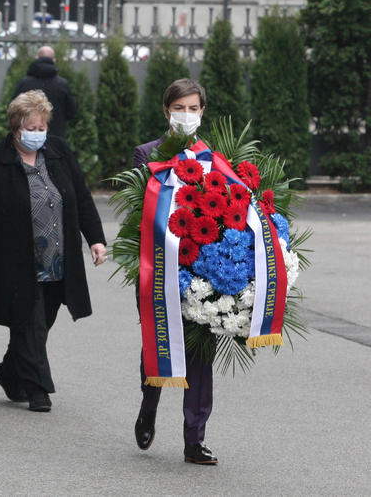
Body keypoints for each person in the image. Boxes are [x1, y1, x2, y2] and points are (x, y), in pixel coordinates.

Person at [0, 90, 107, 413]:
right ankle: (38, 389)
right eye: (30, 128)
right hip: (15, 262)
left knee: (38, 323)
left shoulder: (58, 151)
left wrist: (96, 239)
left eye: (42, 127)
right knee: (28, 323)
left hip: (58, 260)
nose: (37, 134)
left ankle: (9, 372)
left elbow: (81, 198)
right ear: (16, 128)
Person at [131, 78, 218, 465]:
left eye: (193, 108)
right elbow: (139, 215)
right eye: (179, 107)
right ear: (166, 111)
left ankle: (193, 440)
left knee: (200, 356)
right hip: (158, 269)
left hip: (203, 274)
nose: (187, 114)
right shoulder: (146, 154)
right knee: (159, 344)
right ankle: (149, 405)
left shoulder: (215, 159)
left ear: (202, 111)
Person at [12, 46, 76, 139]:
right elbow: (71, 112)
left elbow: (14, 111)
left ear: (37, 58)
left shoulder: (24, 83)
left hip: (28, 137)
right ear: (54, 60)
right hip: (56, 137)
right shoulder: (62, 84)